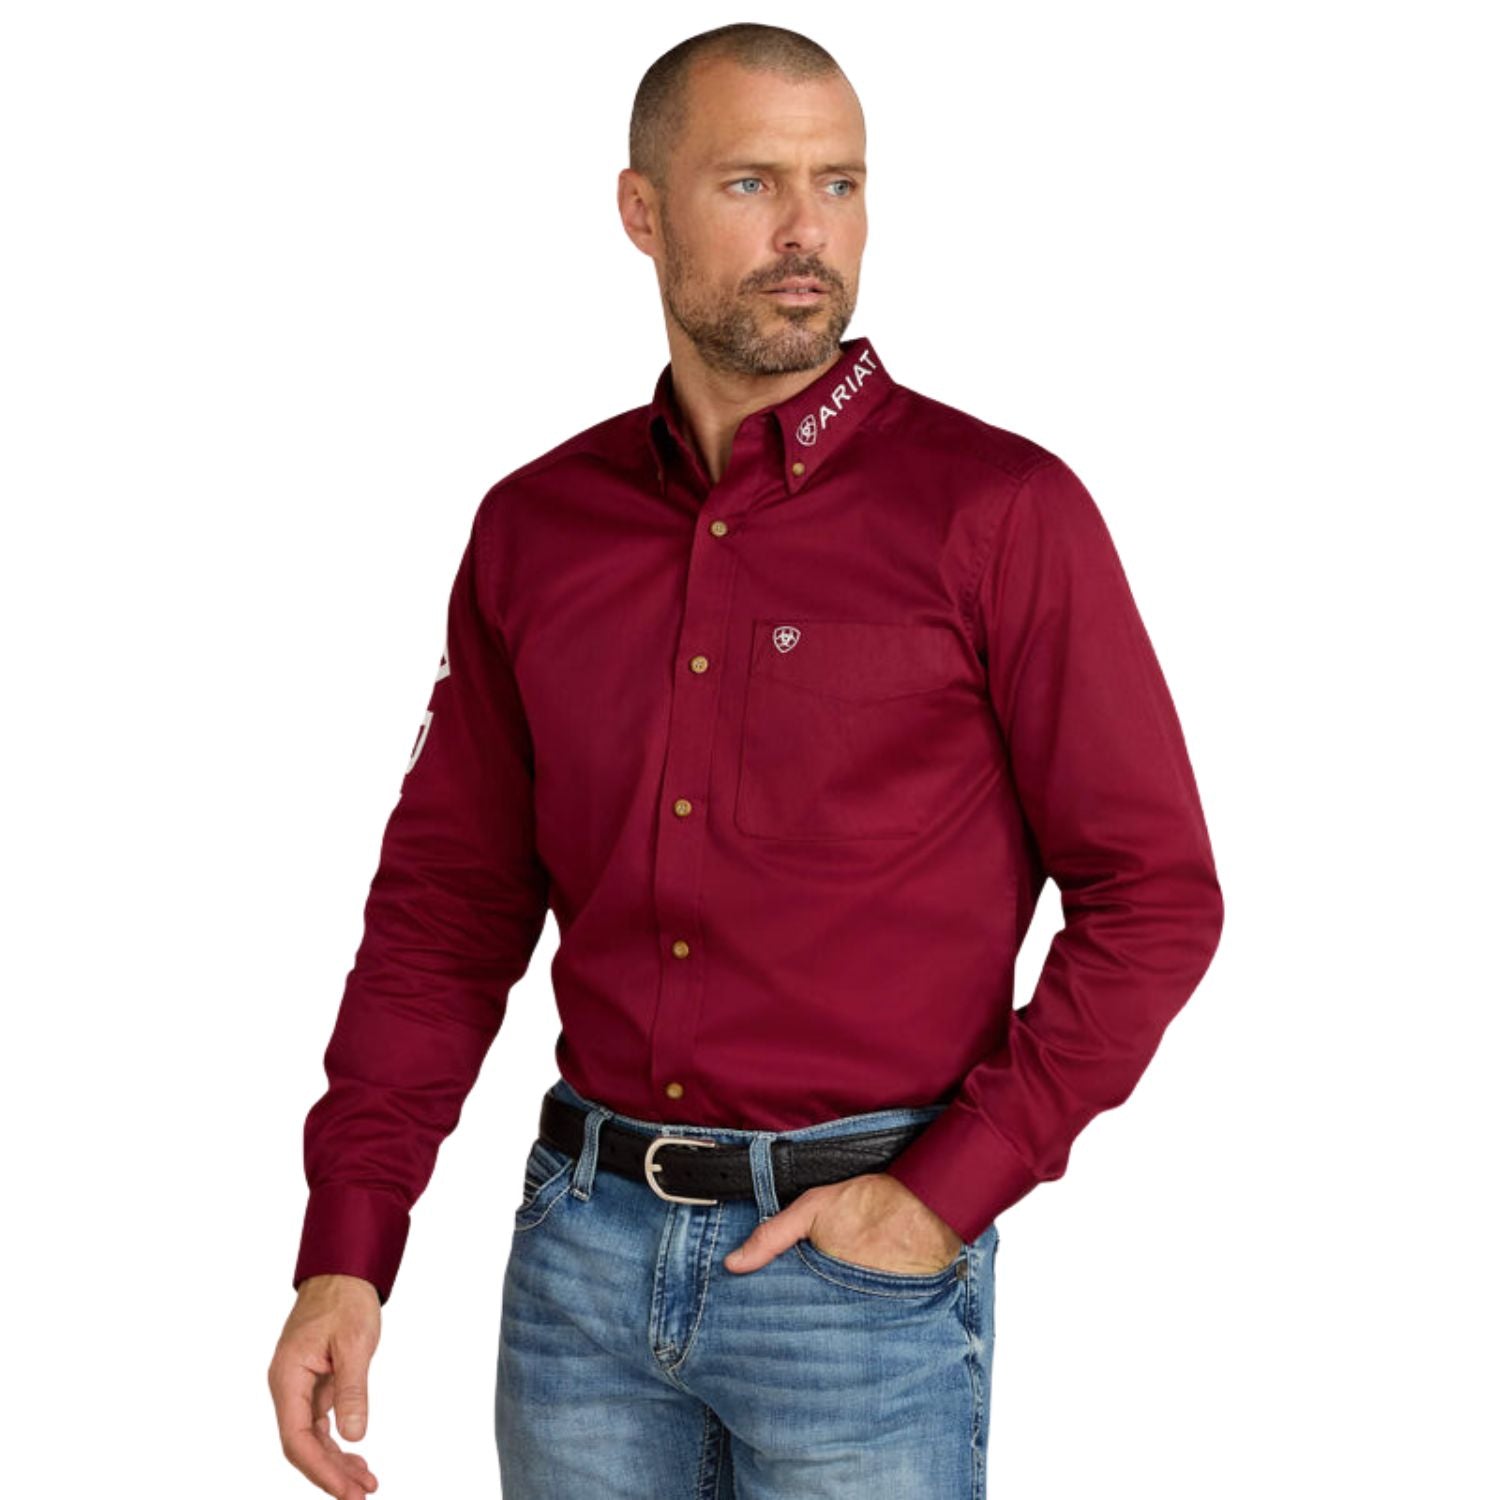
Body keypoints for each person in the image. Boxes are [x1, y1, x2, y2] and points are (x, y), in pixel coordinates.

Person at [267, 22, 1224, 1499]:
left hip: (861, 1276)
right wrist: (348, 1247)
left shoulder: (1001, 512)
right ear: (641, 210)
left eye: (840, 184)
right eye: (751, 184)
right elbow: (446, 913)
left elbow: (1155, 895)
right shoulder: (535, 528)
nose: (806, 233)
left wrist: (941, 1195)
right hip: (580, 1267)